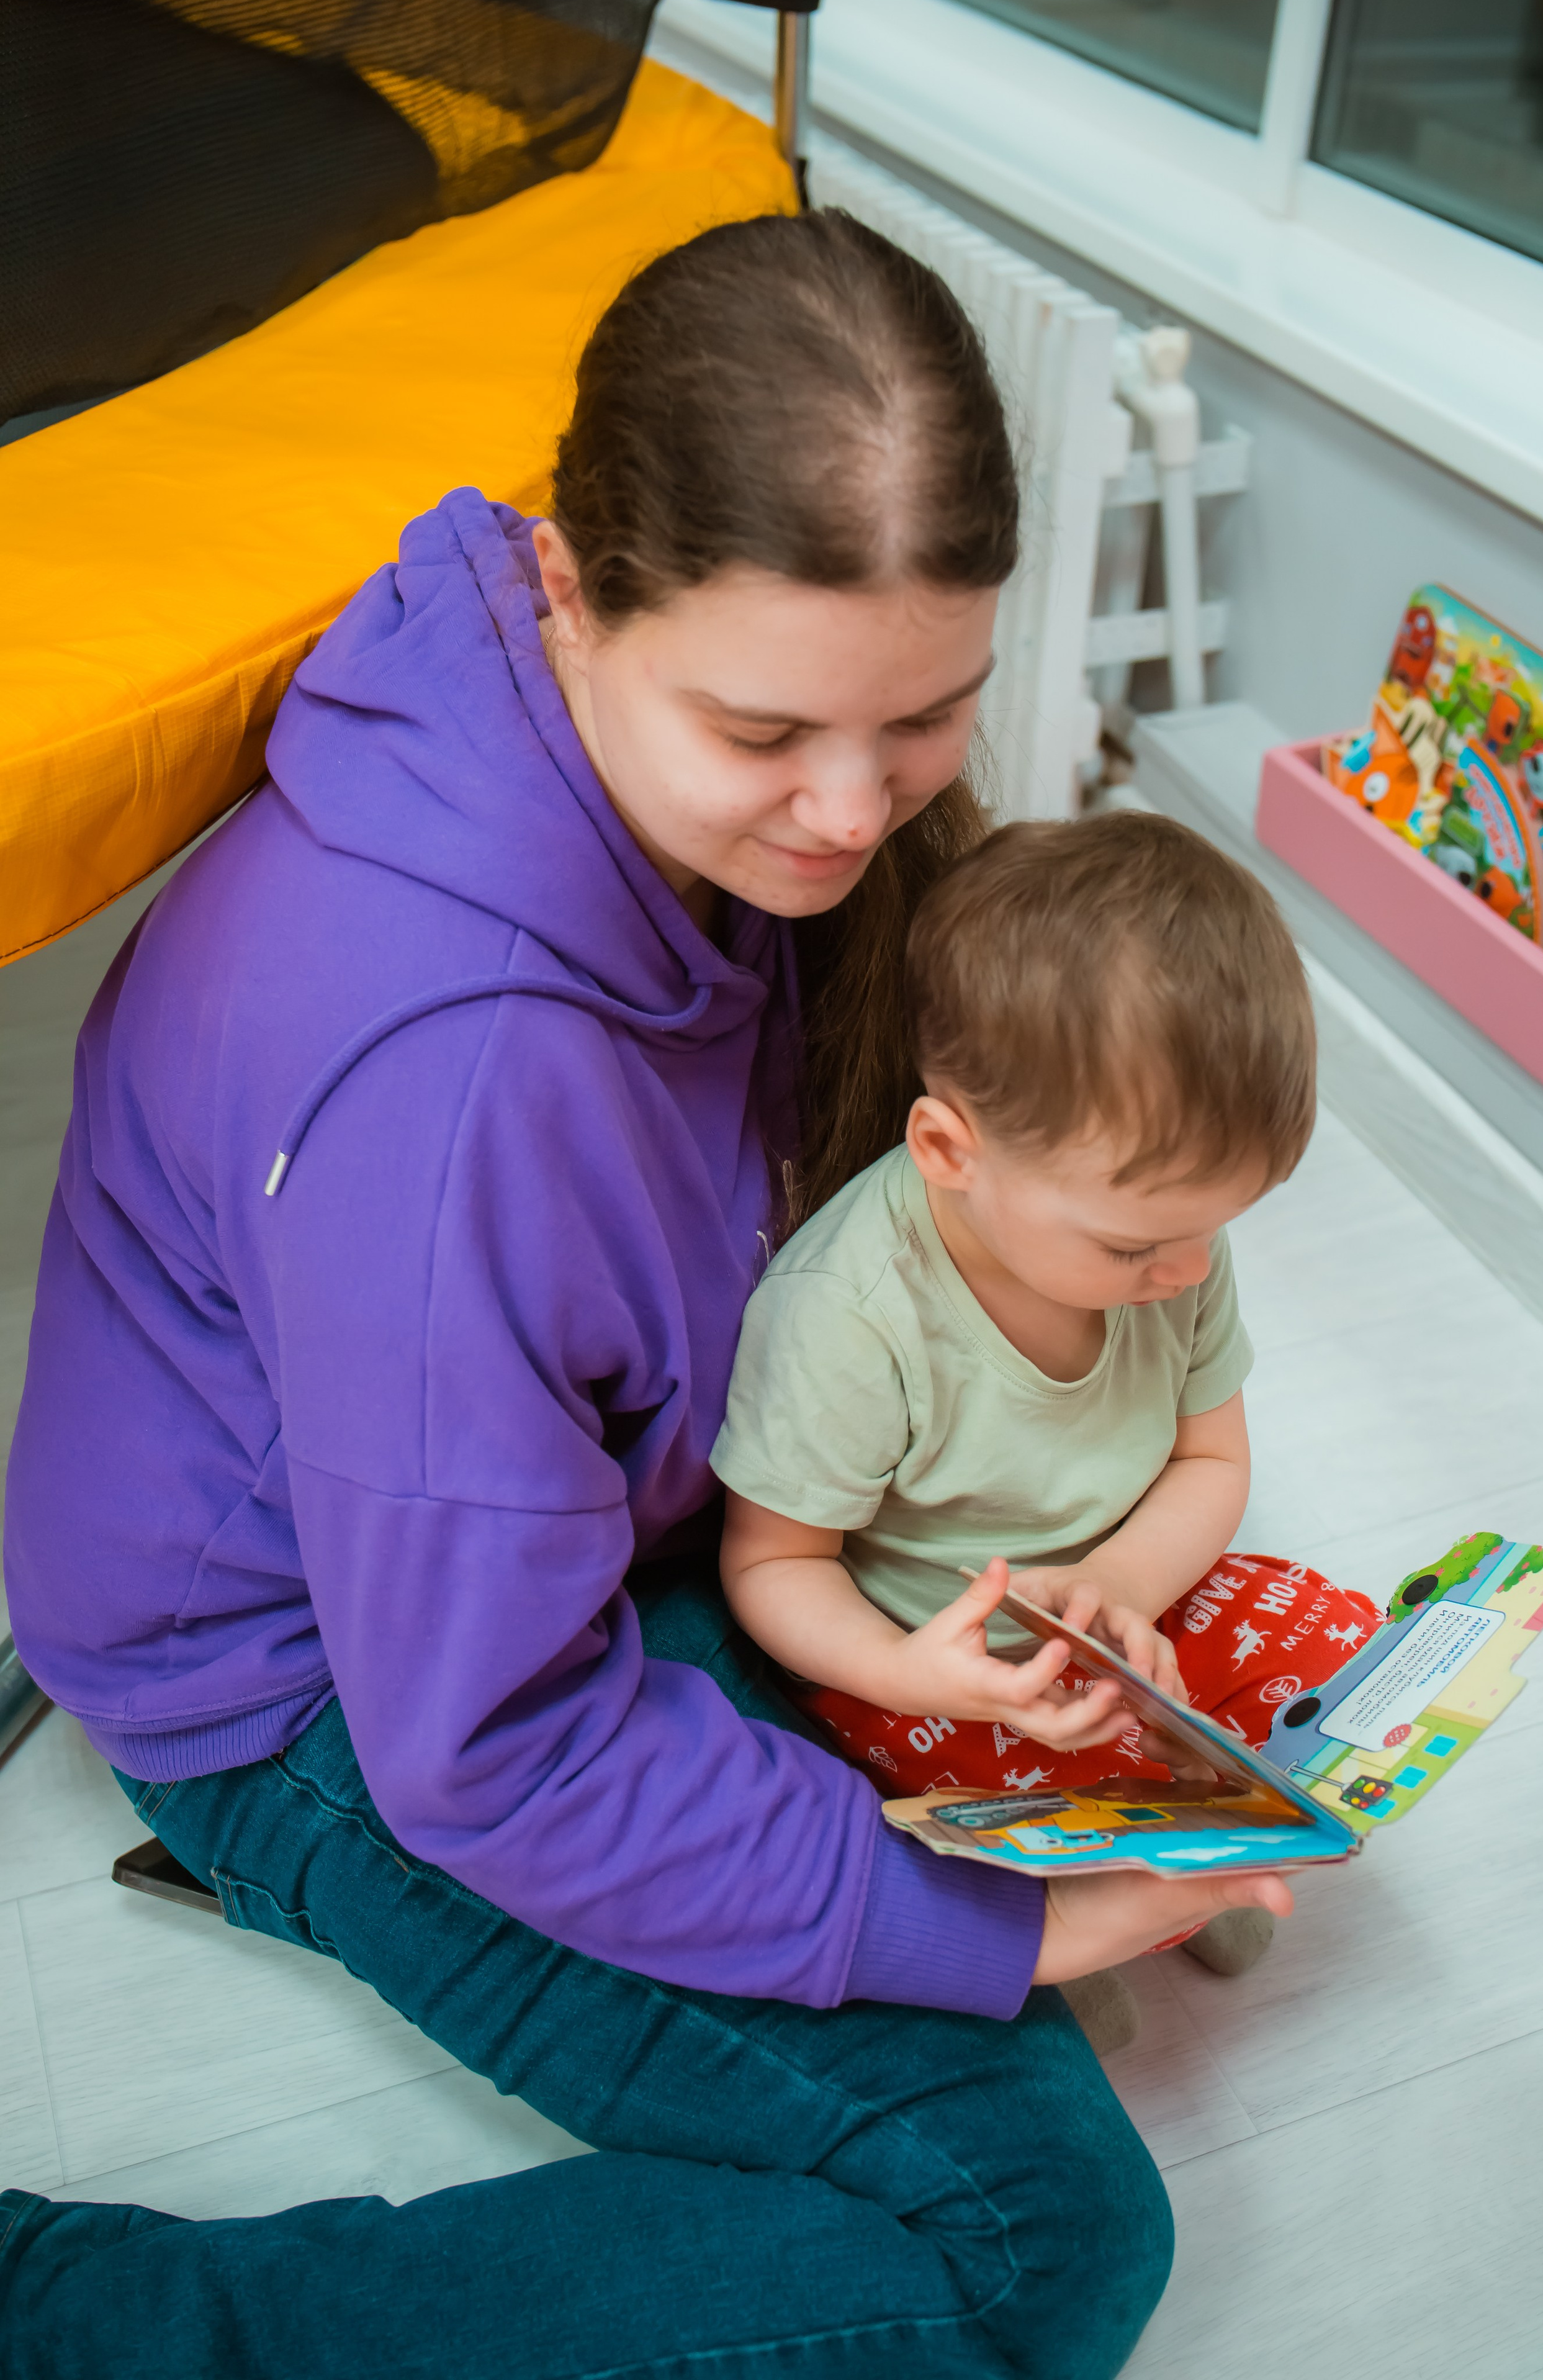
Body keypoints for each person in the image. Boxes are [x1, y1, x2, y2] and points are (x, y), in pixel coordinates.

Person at [1, 212, 1287, 2379]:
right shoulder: (455, 1074)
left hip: (574, 1532)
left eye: (928, 720)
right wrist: (1002, 1919)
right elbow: (493, 1745)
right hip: (330, 1689)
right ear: (572, 586)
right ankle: (84, 2322)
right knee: (1032, 2238)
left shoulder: (728, 812)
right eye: (766, 729)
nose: (853, 811)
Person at [714, 813, 1382, 2037]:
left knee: (1346, 1659)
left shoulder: (1170, 1250)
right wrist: (908, 1670)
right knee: (940, 1790)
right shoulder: (851, 1314)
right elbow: (769, 1563)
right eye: (1133, 1243)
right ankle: (1088, 1922)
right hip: (928, 1659)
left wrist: (1119, 1581)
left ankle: (1187, 1855)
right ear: (946, 1149)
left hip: (1124, 1611)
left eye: (1212, 1226)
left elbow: (1207, 1455)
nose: (1185, 1269)